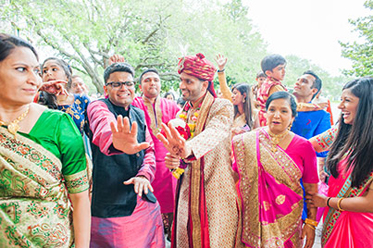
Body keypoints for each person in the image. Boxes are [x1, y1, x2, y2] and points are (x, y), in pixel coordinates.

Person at [0, 34, 90, 247]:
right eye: (22, 69)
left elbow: (80, 199)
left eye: (36, 71)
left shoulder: (59, 124)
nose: (36, 80)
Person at [157, 53, 243, 248]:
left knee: (216, 241)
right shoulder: (184, 111)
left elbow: (216, 131)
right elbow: (179, 157)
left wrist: (188, 148)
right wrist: (174, 162)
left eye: (189, 81)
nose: (182, 86)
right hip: (187, 192)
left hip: (216, 191)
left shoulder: (221, 106)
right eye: (181, 80)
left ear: (204, 84)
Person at [87, 62, 164, 247]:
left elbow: (149, 150)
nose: (124, 88)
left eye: (128, 83)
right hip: (111, 205)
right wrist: (116, 142)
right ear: (106, 88)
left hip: (143, 201)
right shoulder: (98, 107)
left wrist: (144, 175)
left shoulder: (138, 113)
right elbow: (103, 126)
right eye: (117, 84)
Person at [232, 91, 319, 248]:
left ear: (293, 117)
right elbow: (235, 178)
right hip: (253, 222)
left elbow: (311, 189)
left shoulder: (304, 146)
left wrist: (311, 223)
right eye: (272, 110)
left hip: (289, 222)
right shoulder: (247, 141)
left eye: (284, 111)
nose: (277, 115)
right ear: (265, 112)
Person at [308, 77, 373, 248]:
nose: (340, 105)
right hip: (334, 223)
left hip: (362, 230)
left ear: (366, 105)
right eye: (341, 99)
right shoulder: (343, 130)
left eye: (347, 100)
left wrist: (327, 202)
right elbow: (308, 146)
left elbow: (370, 203)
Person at [132, 68, 180, 240]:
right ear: (139, 86)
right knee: (150, 209)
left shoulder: (173, 106)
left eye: (155, 80)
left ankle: (172, 238)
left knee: (173, 206)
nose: (152, 83)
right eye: (147, 80)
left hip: (170, 165)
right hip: (147, 165)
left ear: (160, 84)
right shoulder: (134, 104)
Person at [40, 57, 91, 135]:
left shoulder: (82, 100)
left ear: (66, 77)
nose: (48, 73)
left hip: (74, 147)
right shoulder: (36, 97)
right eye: (45, 71)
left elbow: (92, 133)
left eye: (54, 69)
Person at [215, 54, 258, 135]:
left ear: (244, 96)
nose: (232, 96)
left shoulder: (255, 114)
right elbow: (224, 87)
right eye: (232, 93)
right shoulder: (231, 110)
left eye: (235, 93)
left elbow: (257, 136)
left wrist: (245, 134)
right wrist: (221, 69)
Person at [257, 54, 287, 126]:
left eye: (284, 67)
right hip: (272, 122)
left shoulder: (265, 84)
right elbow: (287, 106)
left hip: (262, 119)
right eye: (280, 69)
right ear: (268, 73)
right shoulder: (276, 87)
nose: (284, 71)